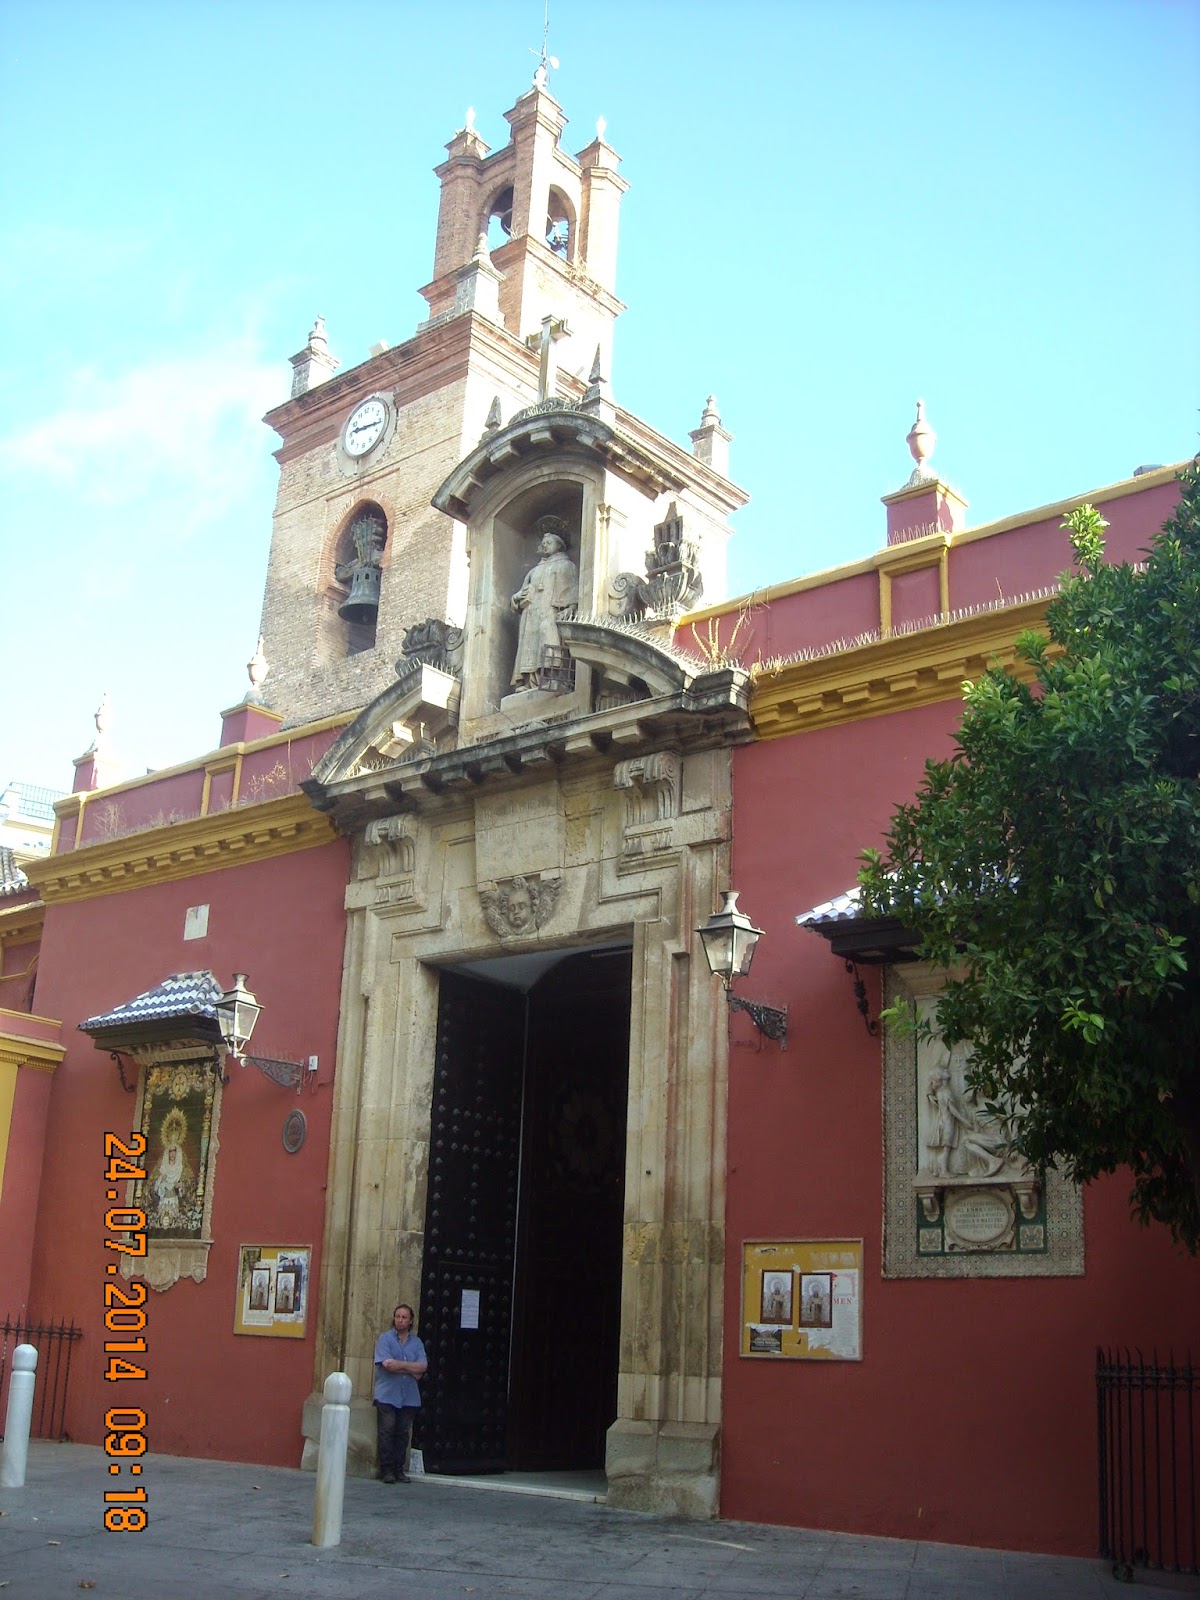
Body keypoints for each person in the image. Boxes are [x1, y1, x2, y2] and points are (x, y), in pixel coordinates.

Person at [510, 518, 578, 688]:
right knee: (529, 646)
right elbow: (519, 594)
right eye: (543, 543)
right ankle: (528, 681)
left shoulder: (566, 565)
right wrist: (517, 598)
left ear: (559, 545)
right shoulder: (534, 570)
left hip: (551, 612)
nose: (545, 545)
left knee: (550, 641)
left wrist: (571, 606)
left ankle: (552, 678)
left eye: (549, 542)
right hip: (530, 614)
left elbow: (573, 588)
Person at [373, 1303, 427, 1484]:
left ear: (411, 1321)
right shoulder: (385, 1339)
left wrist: (400, 1365)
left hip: (409, 1397)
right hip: (387, 1394)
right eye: (398, 1316)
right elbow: (387, 1365)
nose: (400, 1320)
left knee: (403, 1434)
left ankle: (399, 1470)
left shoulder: (417, 1343)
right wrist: (411, 1369)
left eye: (404, 1317)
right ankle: (387, 1470)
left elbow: (423, 1367)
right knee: (387, 1432)